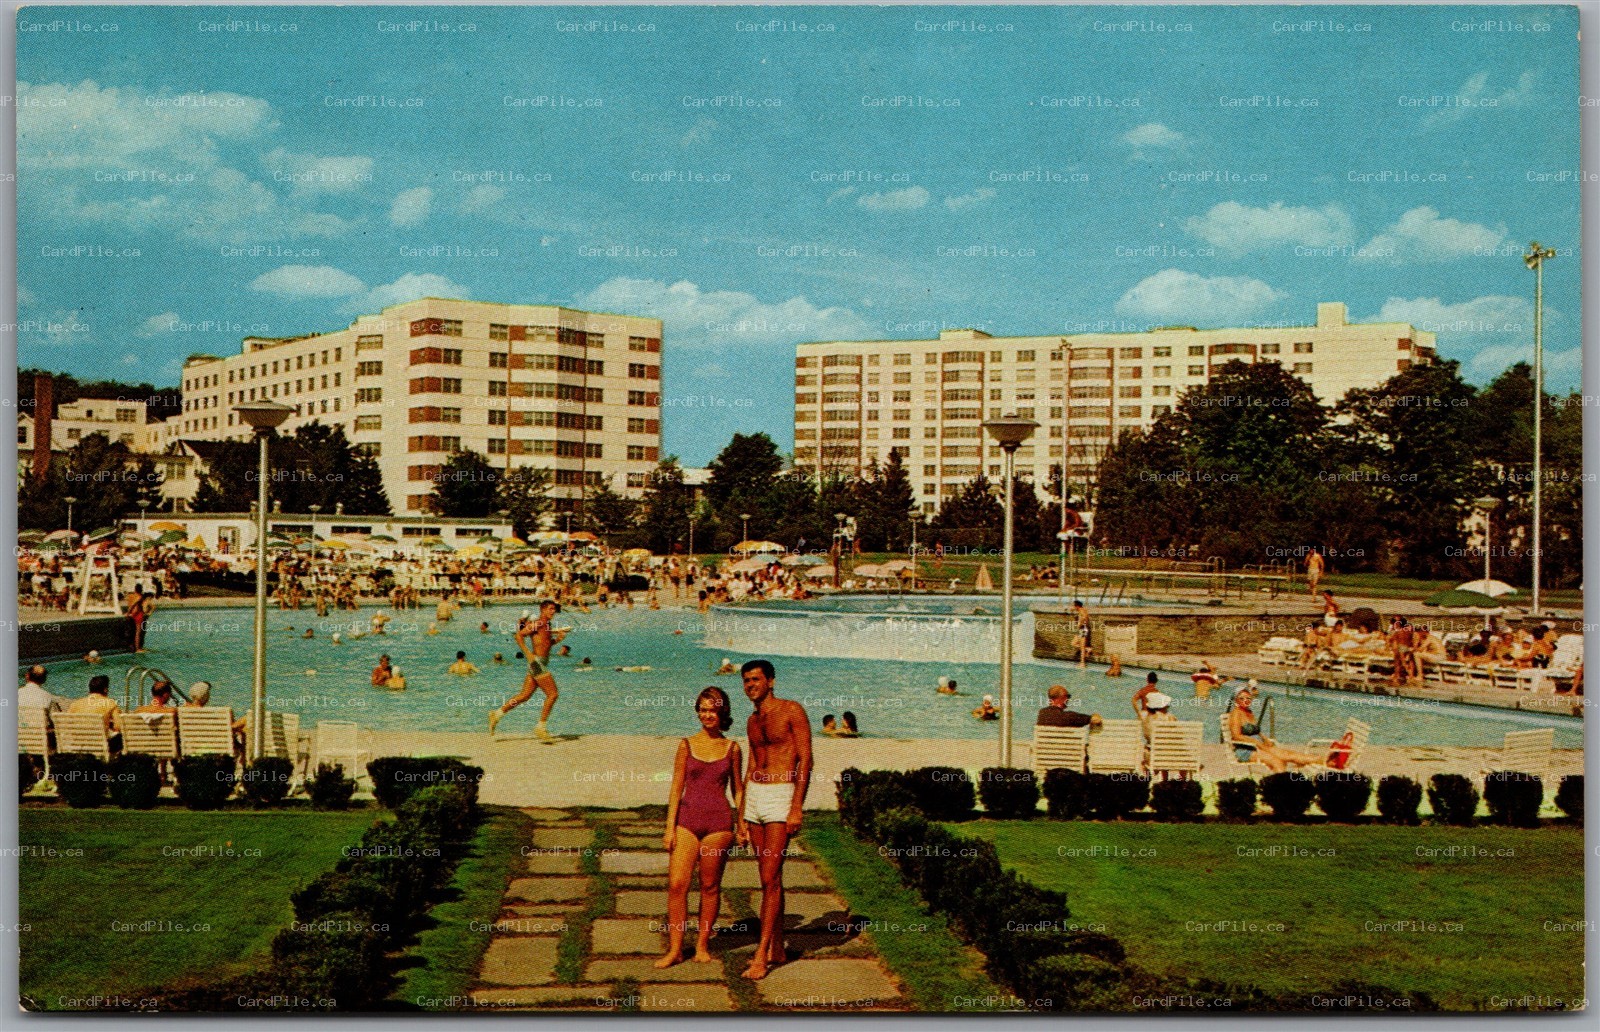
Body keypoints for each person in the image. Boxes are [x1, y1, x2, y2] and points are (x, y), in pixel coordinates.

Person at [657, 686, 744, 969]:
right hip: (687, 821)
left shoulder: (732, 748)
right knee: (677, 885)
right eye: (703, 709)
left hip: (719, 823)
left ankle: (703, 944)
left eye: (713, 710)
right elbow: (676, 788)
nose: (707, 715)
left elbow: (738, 791)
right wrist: (669, 827)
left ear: (723, 713)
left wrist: (742, 823)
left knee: (709, 885)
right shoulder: (685, 744)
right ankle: (675, 949)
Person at [738, 659, 811, 980]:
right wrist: (741, 813)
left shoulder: (792, 710)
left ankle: (761, 955)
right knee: (768, 878)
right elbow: (752, 761)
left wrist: (796, 806)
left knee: (770, 877)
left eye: (755, 679)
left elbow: (806, 759)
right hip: (755, 796)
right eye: (746, 681)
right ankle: (778, 945)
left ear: (771, 681)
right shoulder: (752, 721)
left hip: (781, 796)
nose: (750, 685)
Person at [490, 601, 568, 738]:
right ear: (542, 610)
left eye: (554, 609)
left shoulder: (547, 625)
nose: (553, 612)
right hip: (536, 663)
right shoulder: (539, 623)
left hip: (539, 662)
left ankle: (497, 714)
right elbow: (519, 635)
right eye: (550, 609)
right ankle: (541, 727)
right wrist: (528, 654)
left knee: (524, 695)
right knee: (553, 694)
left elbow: (544, 644)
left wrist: (558, 640)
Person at [1227, 686, 1315, 773]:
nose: (1245, 700)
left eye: (1248, 698)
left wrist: (1265, 739)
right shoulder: (1236, 713)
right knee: (1277, 761)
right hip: (1245, 751)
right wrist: (1257, 743)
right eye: (1241, 698)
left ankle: (1318, 762)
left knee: (1289, 756)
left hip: (1259, 747)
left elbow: (1255, 730)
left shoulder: (1249, 712)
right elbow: (1236, 736)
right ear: (1236, 700)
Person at [69, 674, 123, 752]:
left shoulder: (75, 704)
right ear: (105, 689)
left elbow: (70, 724)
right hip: (100, 743)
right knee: (121, 737)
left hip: (79, 742)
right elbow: (119, 726)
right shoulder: (110, 703)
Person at [1036, 684, 1100, 728]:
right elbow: (1096, 720)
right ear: (1064, 698)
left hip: (1044, 747)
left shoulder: (1042, 713)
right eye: (1068, 696)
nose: (1068, 699)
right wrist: (1095, 715)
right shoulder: (1070, 717)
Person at [1072, 600, 1092, 668]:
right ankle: (1088, 649)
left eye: (1074, 606)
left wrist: (1080, 624)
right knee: (1073, 643)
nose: (1073, 607)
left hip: (1083, 629)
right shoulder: (1082, 610)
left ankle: (1082, 663)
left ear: (1077, 606)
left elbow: (1084, 618)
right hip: (1082, 629)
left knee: (1082, 647)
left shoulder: (1082, 610)